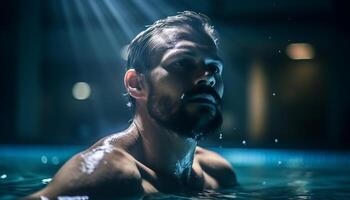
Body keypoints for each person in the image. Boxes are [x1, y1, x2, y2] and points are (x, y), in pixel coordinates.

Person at [28, 11, 236, 199]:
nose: (207, 78)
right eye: (182, 63)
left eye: (214, 68)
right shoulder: (107, 175)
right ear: (136, 84)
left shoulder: (218, 172)